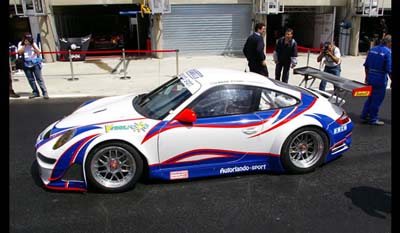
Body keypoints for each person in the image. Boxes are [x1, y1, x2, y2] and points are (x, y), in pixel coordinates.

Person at [360, 34, 392, 126]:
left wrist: (366, 77)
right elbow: (389, 69)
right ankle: (373, 118)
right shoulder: (388, 52)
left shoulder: (372, 49)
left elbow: (366, 65)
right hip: (380, 78)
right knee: (377, 99)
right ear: (389, 43)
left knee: (370, 98)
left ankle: (364, 115)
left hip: (371, 76)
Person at [17, 33, 49, 99]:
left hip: (35, 63)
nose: (28, 40)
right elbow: (19, 52)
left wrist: (32, 45)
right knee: (31, 79)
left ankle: (45, 92)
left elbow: (38, 52)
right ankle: (35, 92)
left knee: (39, 79)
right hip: (26, 63)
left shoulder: (33, 43)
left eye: (29, 39)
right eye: (26, 39)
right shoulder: (20, 44)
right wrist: (24, 45)